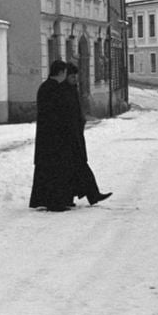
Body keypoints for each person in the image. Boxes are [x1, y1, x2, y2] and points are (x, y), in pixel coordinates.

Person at [29, 60, 80, 211]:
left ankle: (52, 199)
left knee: (49, 170)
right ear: (61, 73)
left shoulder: (45, 87)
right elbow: (58, 112)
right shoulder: (54, 89)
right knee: (55, 170)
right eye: (65, 73)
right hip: (54, 136)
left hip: (48, 135)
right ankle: (55, 202)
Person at [63, 63, 111, 206]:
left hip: (76, 135)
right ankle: (91, 195)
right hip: (70, 137)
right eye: (72, 76)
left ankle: (92, 195)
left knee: (79, 167)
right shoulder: (65, 91)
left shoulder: (72, 89)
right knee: (79, 167)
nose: (75, 79)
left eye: (76, 76)